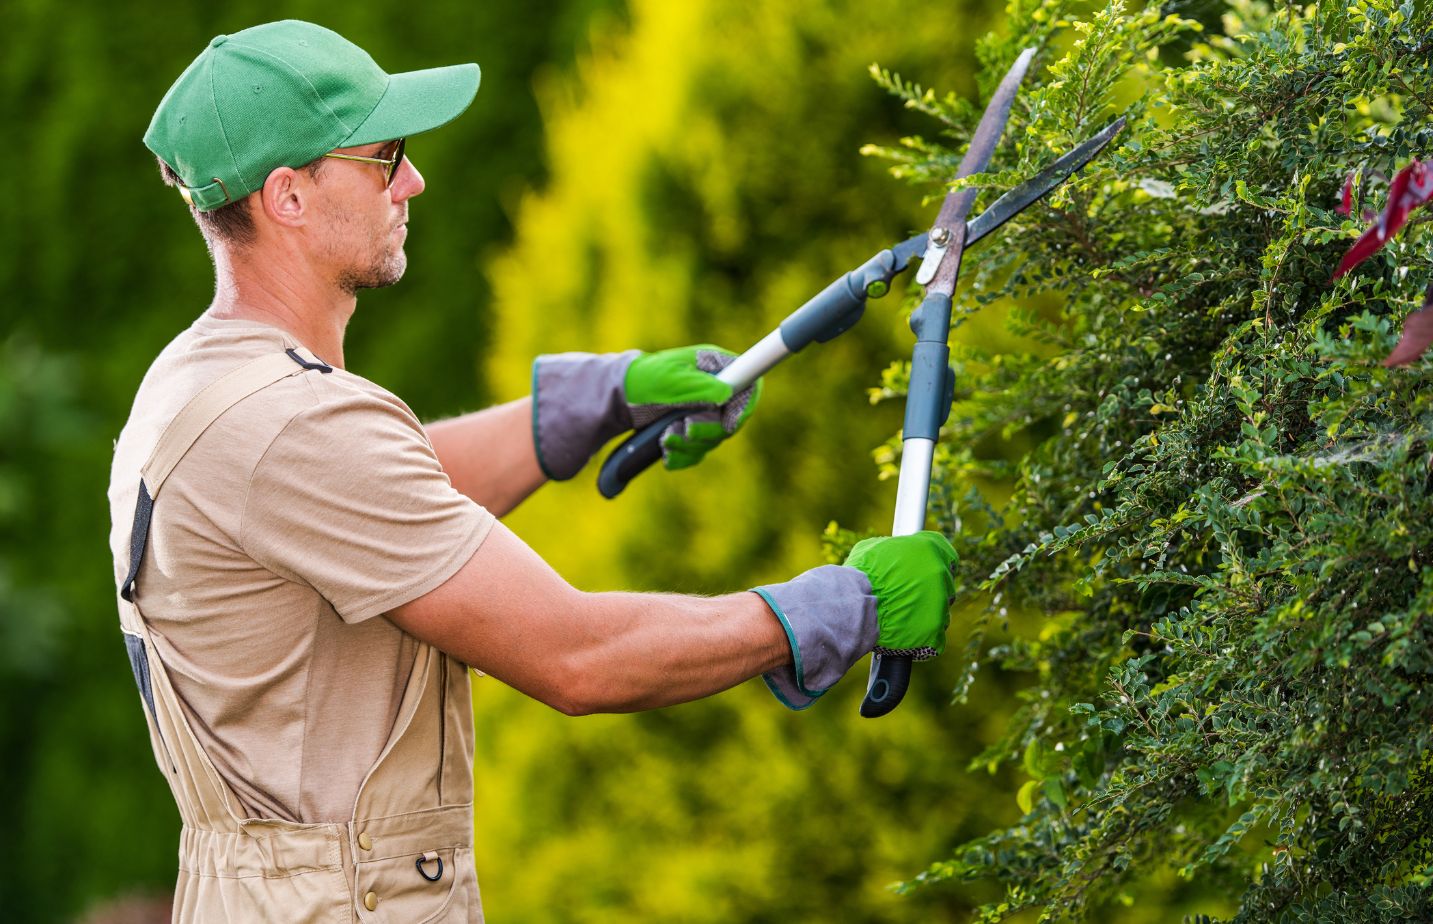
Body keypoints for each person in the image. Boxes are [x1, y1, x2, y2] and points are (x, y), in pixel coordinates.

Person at [110, 20, 958, 922]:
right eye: (384, 156)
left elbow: (386, 498)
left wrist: (598, 400)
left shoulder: (204, 384)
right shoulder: (293, 425)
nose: (414, 181)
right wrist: (836, 611)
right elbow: (580, 656)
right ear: (288, 197)